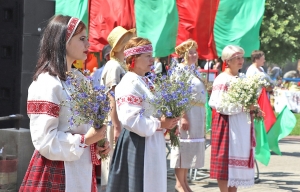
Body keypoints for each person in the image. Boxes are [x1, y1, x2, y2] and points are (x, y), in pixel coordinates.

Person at [19, 15, 110, 192]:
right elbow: (45, 140)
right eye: (82, 39)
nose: (88, 45)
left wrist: (96, 143)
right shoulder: (47, 83)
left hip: (81, 170)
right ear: (64, 41)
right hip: (55, 171)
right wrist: (86, 139)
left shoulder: (79, 79)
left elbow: (81, 129)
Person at [106, 37, 179, 192]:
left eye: (151, 55)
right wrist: (161, 124)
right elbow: (130, 119)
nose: (152, 59)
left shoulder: (146, 81)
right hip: (138, 142)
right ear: (133, 59)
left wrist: (170, 123)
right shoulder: (129, 83)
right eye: (147, 56)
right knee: (140, 185)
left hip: (151, 140)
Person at [209, 45, 259, 191]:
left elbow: (246, 101)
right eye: (237, 58)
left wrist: (254, 109)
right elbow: (217, 104)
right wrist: (243, 107)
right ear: (227, 61)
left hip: (241, 125)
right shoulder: (222, 79)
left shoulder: (242, 78)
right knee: (225, 164)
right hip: (227, 125)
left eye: (242, 57)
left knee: (235, 167)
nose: (241, 60)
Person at [100, 26, 135, 191]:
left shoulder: (121, 65)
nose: (130, 42)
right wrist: (116, 124)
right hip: (113, 120)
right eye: (127, 39)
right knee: (111, 162)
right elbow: (111, 96)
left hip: (119, 120)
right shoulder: (114, 66)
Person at [170, 39, 206, 192]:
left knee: (190, 148)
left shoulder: (194, 70)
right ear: (184, 55)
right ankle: (179, 184)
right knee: (183, 146)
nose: (193, 55)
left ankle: (184, 182)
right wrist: (183, 116)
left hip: (197, 112)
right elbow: (178, 94)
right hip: (188, 112)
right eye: (190, 53)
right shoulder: (180, 70)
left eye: (195, 52)